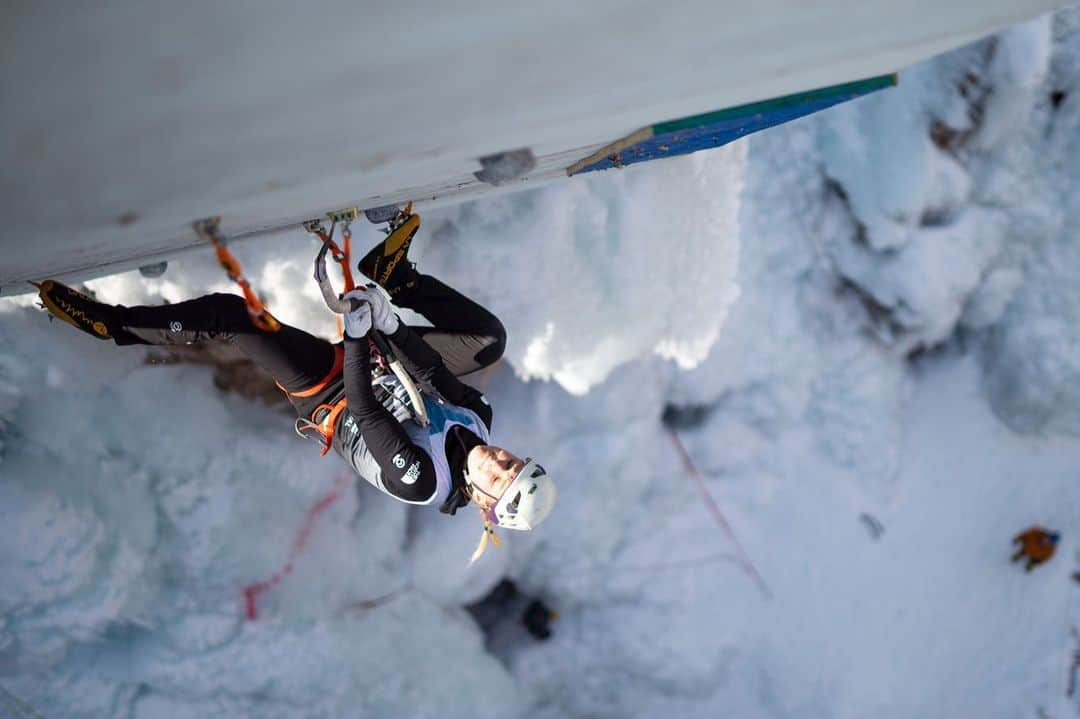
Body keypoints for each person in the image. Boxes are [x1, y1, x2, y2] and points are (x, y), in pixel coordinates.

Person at [34, 211, 556, 560]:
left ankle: (113, 326)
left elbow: (367, 413)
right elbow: (432, 376)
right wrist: (389, 324)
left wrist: (356, 339)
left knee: (231, 317)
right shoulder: (477, 420)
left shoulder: (422, 481)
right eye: (515, 459)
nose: (501, 457)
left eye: (502, 473)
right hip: (382, 367)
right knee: (486, 340)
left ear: (486, 499)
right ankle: (396, 275)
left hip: (336, 394)